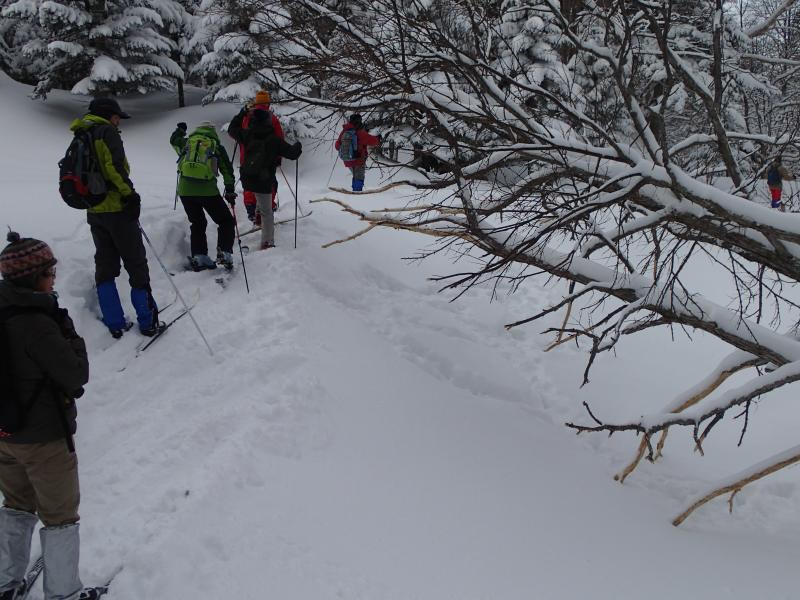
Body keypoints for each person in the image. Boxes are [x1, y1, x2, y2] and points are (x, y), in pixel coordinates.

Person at [0, 232, 102, 600]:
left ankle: (5, 580)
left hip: (5, 436)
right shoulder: (38, 324)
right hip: (43, 439)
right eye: (50, 270)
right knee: (60, 517)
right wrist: (70, 332)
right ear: (34, 276)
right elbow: (74, 376)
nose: (54, 276)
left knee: (15, 505)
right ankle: (63, 593)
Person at [69, 97, 162, 338]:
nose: (119, 121)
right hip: (117, 209)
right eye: (117, 116)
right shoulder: (106, 132)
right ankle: (147, 321)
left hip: (94, 209)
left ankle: (115, 322)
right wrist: (130, 195)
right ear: (109, 115)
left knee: (105, 265)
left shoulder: (82, 132)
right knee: (136, 264)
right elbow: (115, 168)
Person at [228, 109, 302, 250]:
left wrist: (242, 113)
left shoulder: (248, 134)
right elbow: (292, 154)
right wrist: (298, 146)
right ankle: (267, 242)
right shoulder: (274, 139)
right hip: (264, 179)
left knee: (258, 195)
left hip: (247, 178)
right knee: (267, 212)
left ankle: (257, 216)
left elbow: (232, 129)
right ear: (268, 121)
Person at [170, 121, 237, 271]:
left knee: (198, 223)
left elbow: (173, 140)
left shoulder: (187, 143)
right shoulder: (216, 146)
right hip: (208, 191)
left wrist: (180, 130)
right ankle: (224, 252)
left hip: (185, 191)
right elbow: (227, 169)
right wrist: (230, 189)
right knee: (225, 221)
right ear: (212, 132)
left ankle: (199, 257)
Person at [229, 90, 284, 226]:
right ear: (268, 102)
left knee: (249, 183)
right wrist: (278, 158)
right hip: (267, 160)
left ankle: (251, 209)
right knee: (269, 183)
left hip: (247, 158)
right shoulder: (272, 118)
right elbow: (279, 138)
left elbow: (236, 133)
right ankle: (266, 209)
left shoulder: (247, 116)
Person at [335, 113, 381, 191]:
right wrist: (378, 138)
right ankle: (357, 193)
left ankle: (355, 190)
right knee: (359, 177)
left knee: (356, 176)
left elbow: (337, 146)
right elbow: (373, 141)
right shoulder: (359, 133)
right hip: (358, 159)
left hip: (347, 159)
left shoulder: (344, 131)